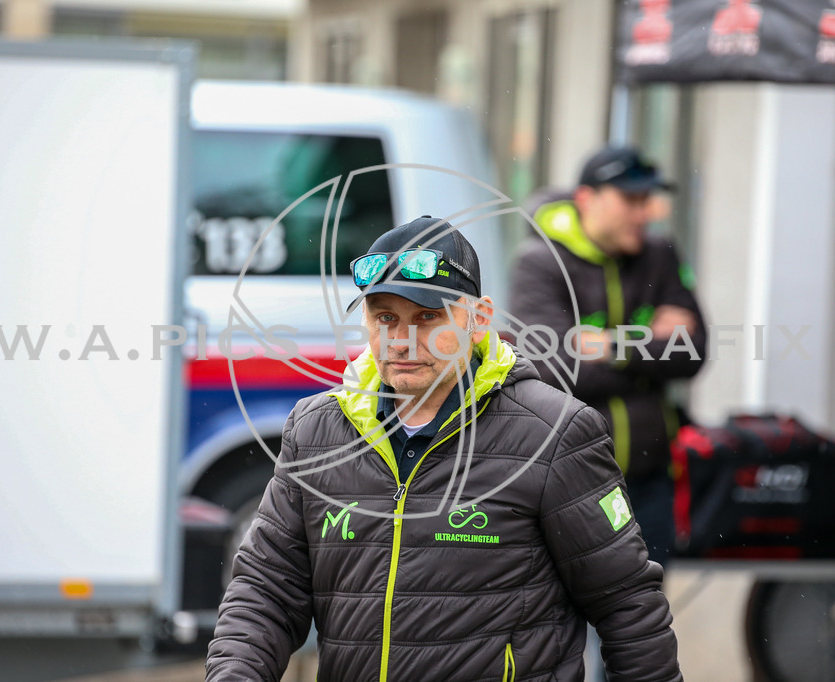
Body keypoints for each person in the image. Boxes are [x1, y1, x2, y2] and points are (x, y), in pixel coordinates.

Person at [206, 216, 682, 681]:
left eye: (428, 318)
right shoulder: (316, 431)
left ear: (479, 320)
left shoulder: (555, 432)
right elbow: (264, 592)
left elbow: (627, 604)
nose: (401, 339)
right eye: (385, 317)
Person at [510, 146, 708, 569]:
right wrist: (650, 352)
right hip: (568, 478)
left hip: (650, 478)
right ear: (587, 199)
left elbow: (695, 352)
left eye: (648, 200)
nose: (646, 213)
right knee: (568, 624)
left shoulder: (660, 256)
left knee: (642, 617)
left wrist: (610, 346)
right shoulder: (540, 261)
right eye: (631, 200)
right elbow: (553, 370)